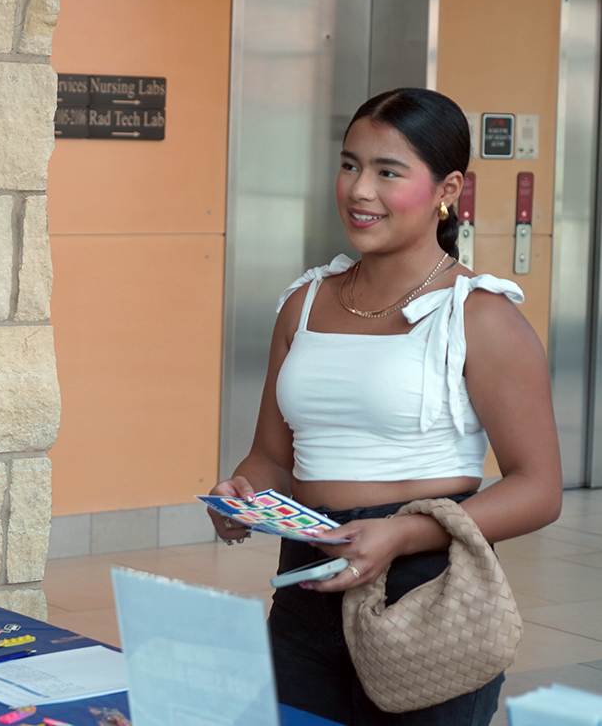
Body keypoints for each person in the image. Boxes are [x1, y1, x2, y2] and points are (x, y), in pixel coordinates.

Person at [208, 88, 562, 726]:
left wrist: (403, 533)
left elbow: (540, 489)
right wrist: (243, 493)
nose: (359, 190)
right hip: (307, 582)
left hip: (427, 590)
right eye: (350, 165)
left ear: (447, 189)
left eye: (387, 172)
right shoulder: (305, 303)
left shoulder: (478, 315)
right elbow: (271, 456)